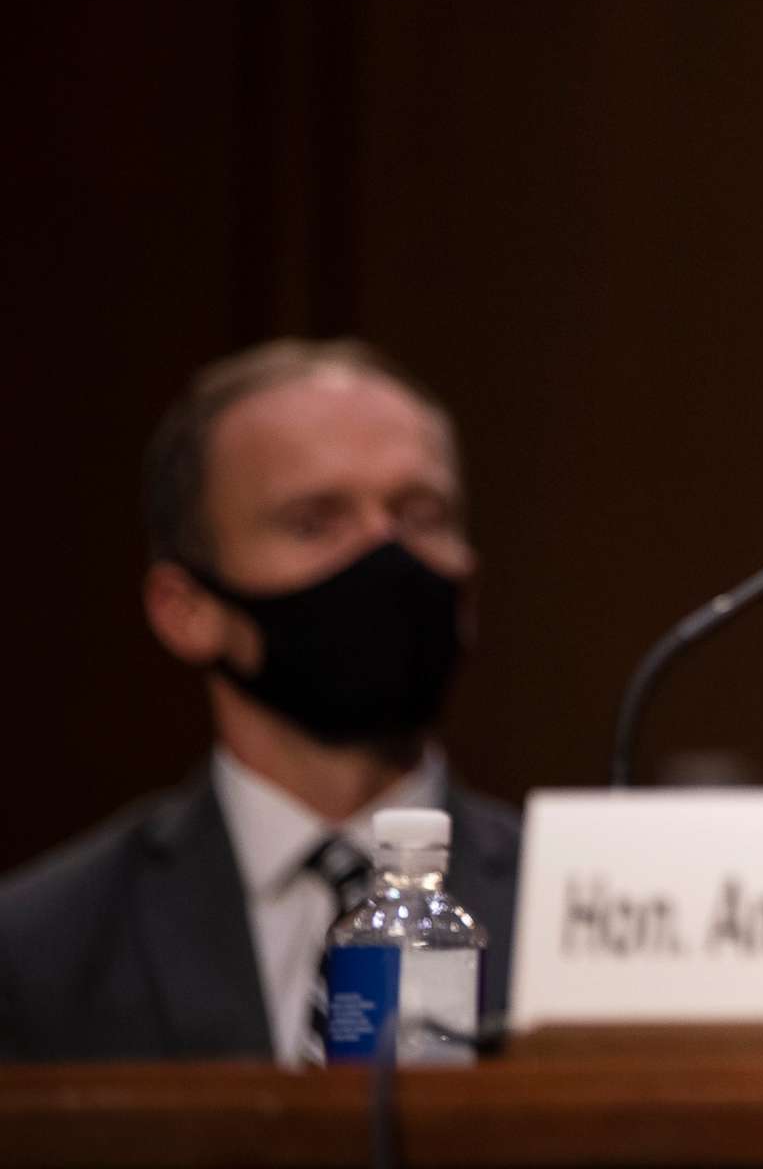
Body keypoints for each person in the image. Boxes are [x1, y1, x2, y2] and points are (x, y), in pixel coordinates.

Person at [0, 339, 520, 1063]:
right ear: (185, 609)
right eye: (315, 522)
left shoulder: (574, 919)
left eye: (421, 514)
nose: (384, 551)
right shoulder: (37, 953)